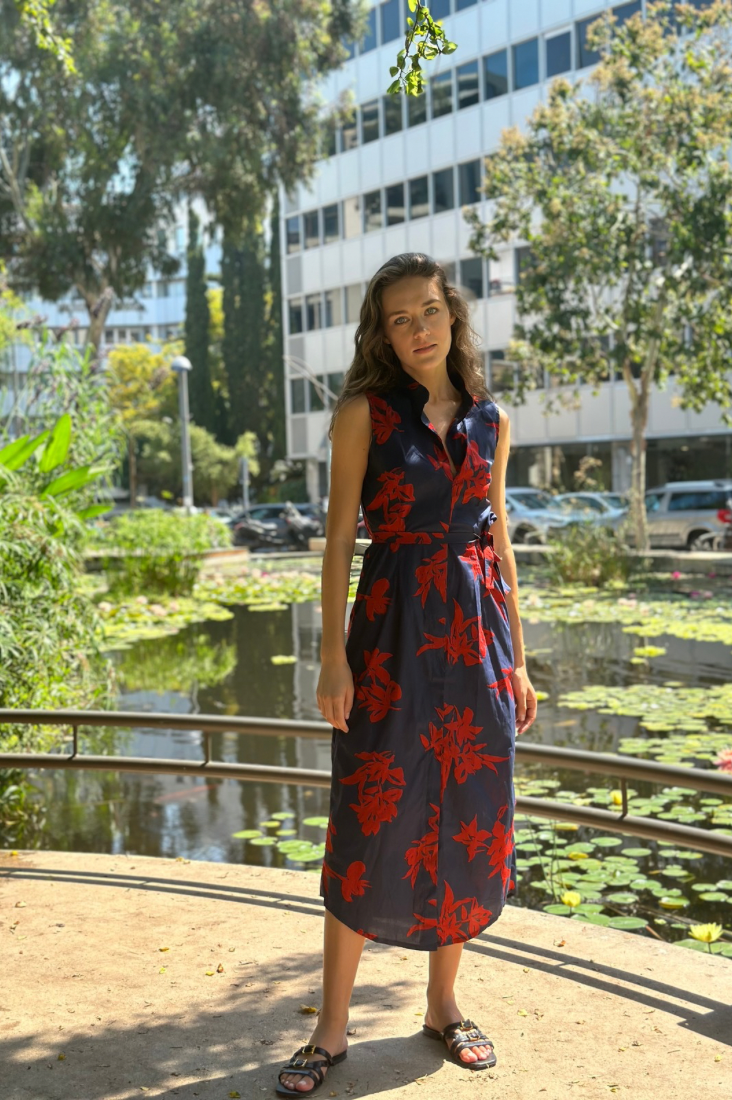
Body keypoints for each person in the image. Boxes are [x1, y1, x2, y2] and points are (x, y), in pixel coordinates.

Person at [276, 253, 537, 1096]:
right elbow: (340, 536)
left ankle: (443, 1005)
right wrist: (330, 655)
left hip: (476, 645)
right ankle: (331, 1027)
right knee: (367, 818)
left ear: (454, 316)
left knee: (464, 816)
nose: (420, 329)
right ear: (383, 333)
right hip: (389, 638)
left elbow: (498, 543)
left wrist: (521, 661)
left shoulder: (492, 419)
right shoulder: (364, 413)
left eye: (430, 311)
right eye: (400, 318)